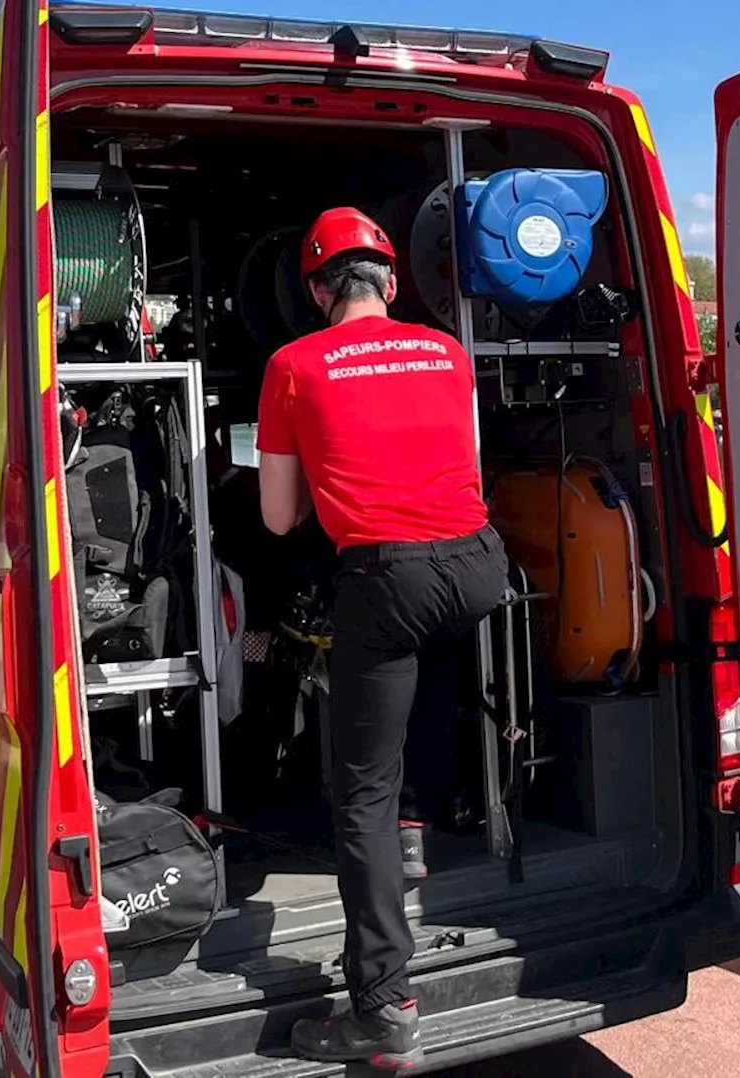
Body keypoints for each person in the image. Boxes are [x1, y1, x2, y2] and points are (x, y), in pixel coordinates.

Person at [255, 207, 509, 1068]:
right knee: (429, 651)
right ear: (392, 284)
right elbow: (459, 464)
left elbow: (281, 518)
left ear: (318, 289)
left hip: (388, 575)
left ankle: (381, 1004)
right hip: (477, 565)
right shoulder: (445, 351)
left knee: (353, 788)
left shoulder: (292, 364)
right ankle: (416, 822)